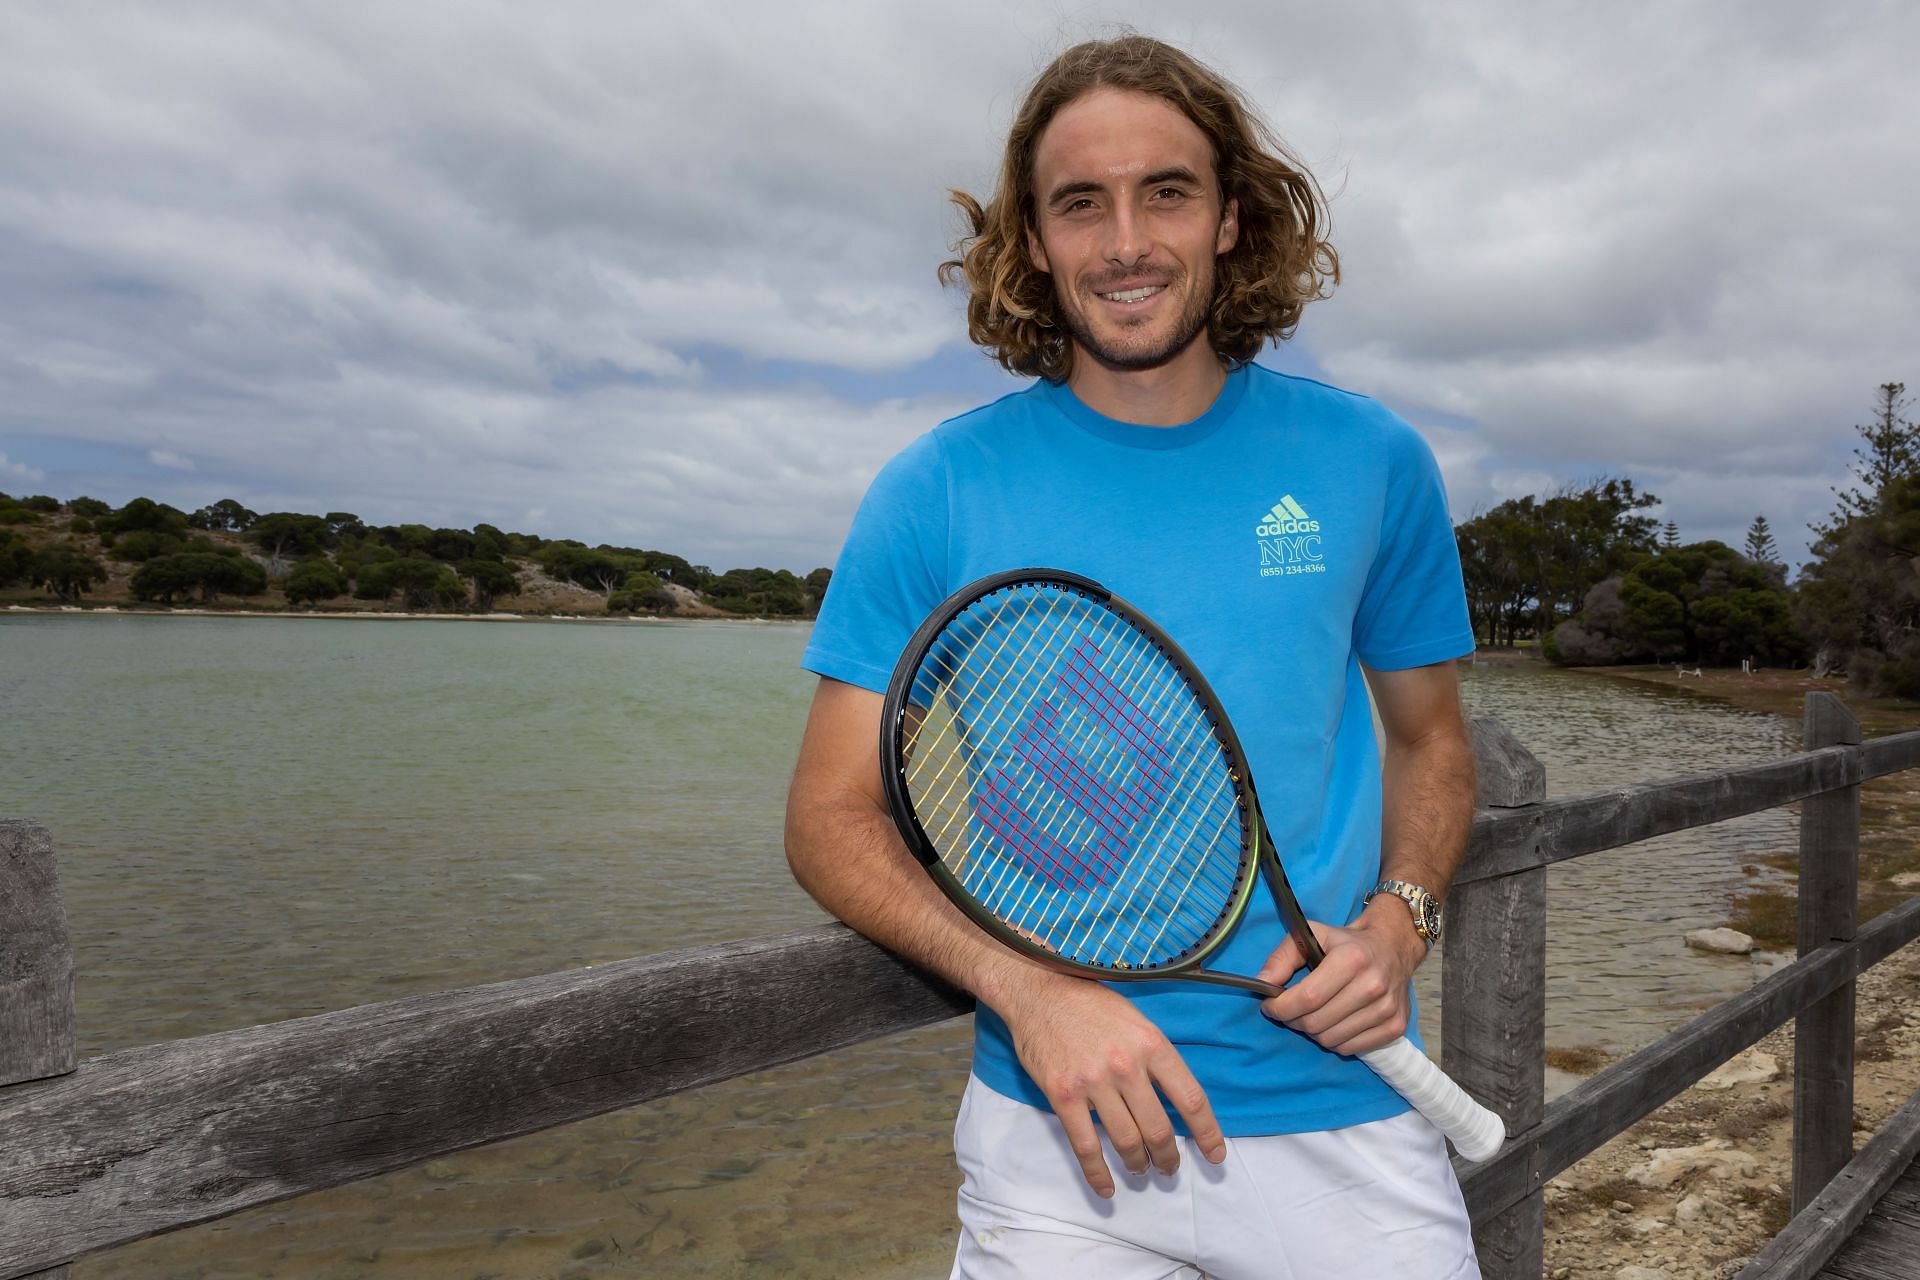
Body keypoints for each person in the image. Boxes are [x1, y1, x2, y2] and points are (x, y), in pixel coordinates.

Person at [785, 34, 1481, 1280]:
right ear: (1034, 242)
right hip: (1057, 1136)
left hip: (1345, 1105)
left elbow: (1433, 741)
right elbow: (832, 817)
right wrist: (1030, 994)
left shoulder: (1372, 462)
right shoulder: (935, 489)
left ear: (1228, 217)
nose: (1124, 242)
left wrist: (1402, 918)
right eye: (1079, 204)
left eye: (1166, 190)